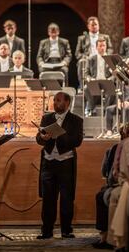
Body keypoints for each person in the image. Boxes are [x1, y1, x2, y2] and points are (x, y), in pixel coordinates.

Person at [36, 92, 83, 239]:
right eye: (55, 100)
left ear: (67, 103)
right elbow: (39, 138)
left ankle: (66, 230)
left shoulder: (76, 120)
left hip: (66, 162)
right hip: (48, 162)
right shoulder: (47, 117)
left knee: (66, 198)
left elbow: (77, 141)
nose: (55, 103)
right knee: (48, 198)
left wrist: (59, 134)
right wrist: (43, 138)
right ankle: (47, 231)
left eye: (59, 100)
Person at [75, 16, 113, 89]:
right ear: (88, 26)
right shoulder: (82, 38)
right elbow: (77, 53)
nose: (94, 26)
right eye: (92, 25)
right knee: (81, 62)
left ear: (98, 25)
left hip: (102, 56)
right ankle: (82, 87)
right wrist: (86, 57)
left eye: (96, 24)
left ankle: (108, 82)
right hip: (88, 59)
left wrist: (106, 55)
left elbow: (110, 48)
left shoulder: (105, 37)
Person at [84, 38, 114, 116]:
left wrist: (110, 79)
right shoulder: (91, 59)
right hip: (95, 81)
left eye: (104, 45)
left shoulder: (110, 58)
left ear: (106, 46)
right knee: (86, 88)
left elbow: (115, 74)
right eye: (100, 46)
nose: (102, 48)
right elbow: (86, 73)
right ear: (96, 47)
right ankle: (91, 108)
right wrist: (90, 79)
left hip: (107, 81)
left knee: (112, 88)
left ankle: (106, 110)